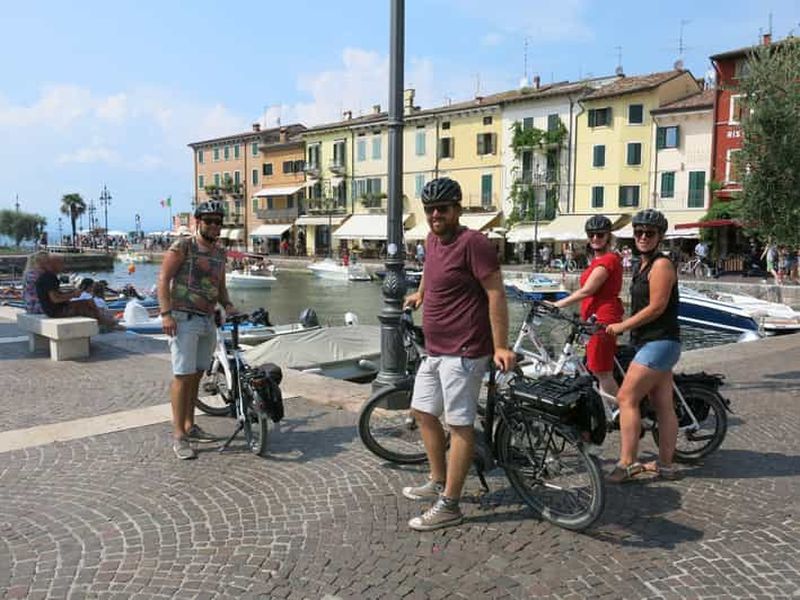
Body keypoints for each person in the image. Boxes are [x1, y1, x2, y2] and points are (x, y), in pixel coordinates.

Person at [402, 177, 516, 531]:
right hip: (435, 349)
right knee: (423, 411)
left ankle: (450, 504)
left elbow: (496, 294)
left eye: (443, 208)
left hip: (465, 350)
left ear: (457, 209)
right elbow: (430, 272)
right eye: (430, 209)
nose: (436, 214)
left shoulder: (474, 244)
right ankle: (438, 479)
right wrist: (421, 294)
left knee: (460, 424)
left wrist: (500, 345)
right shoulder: (431, 240)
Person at [605, 209, 681, 483]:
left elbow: (657, 307)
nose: (643, 237)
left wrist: (622, 327)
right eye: (639, 232)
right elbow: (640, 306)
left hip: (660, 342)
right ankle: (667, 465)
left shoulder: (661, 265)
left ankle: (627, 463)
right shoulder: (641, 265)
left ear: (660, 237)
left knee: (626, 398)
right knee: (663, 403)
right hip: (655, 342)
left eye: (650, 233)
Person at [158, 200, 236, 460]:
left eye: (218, 222)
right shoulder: (183, 246)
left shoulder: (219, 253)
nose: (214, 226)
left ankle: (190, 425)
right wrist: (166, 314)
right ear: (198, 221)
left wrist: (228, 304)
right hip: (183, 318)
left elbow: (220, 284)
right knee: (182, 376)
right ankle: (179, 434)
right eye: (209, 221)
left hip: (207, 319)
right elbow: (163, 279)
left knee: (196, 375)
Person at [552, 215, 623, 398]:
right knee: (594, 367)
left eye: (600, 234)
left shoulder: (607, 260)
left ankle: (627, 415)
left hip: (601, 320)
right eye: (591, 234)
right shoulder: (598, 260)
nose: (595, 238)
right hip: (592, 321)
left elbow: (587, 291)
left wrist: (557, 304)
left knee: (602, 372)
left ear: (608, 236)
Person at [34, 255, 118, 328]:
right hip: (56, 311)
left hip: (51, 310)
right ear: (53, 264)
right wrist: (73, 295)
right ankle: (105, 322)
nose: (63, 266)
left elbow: (55, 295)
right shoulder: (50, 278)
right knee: (88, 304)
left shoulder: (46, 276)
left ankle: (103, 322)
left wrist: (70, 293)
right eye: (61, 263)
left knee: (88, 303)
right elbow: (55, 299)